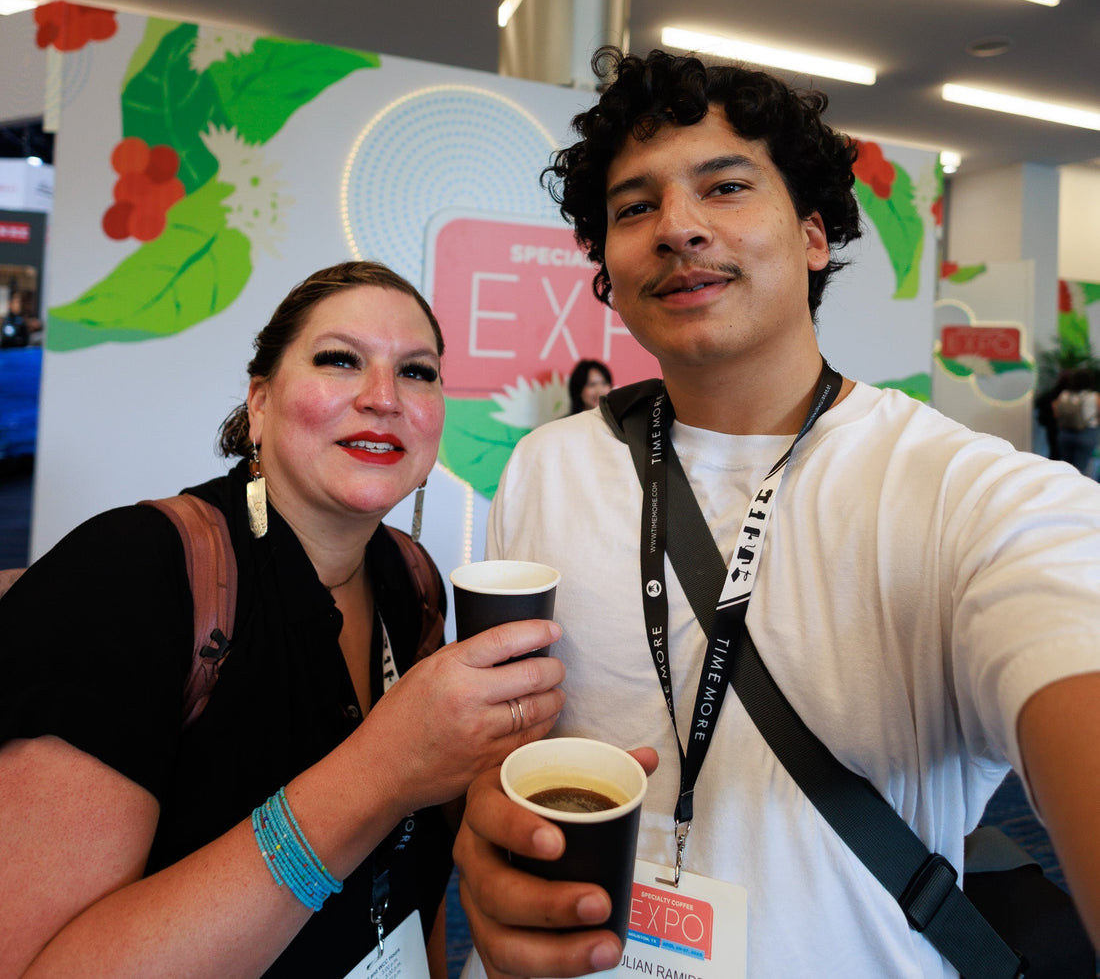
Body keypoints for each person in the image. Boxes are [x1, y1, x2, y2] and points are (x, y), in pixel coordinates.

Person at [453, 49, 1100, 977]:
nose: (677, 227)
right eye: (635, 207)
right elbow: (517, 744)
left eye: (723, 187)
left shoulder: (965, 494)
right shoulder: (548, 467)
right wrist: (493, 839)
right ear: (607, 262)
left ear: (810, 234)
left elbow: (1066, 630)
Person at [0, 260, 565, 979]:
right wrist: (382, 770)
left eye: (417, 373)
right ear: (260, 404)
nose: (384, 398)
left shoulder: (412, 578)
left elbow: (414, 874)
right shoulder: (127, 573)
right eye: (339, 360)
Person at [1052, 367, 1100, 476]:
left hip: (1065, 433)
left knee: (1066, 468)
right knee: (1083, 469)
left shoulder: (1064, 395)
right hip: (1087, 433)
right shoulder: (1094, 396)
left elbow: (1056, 413)